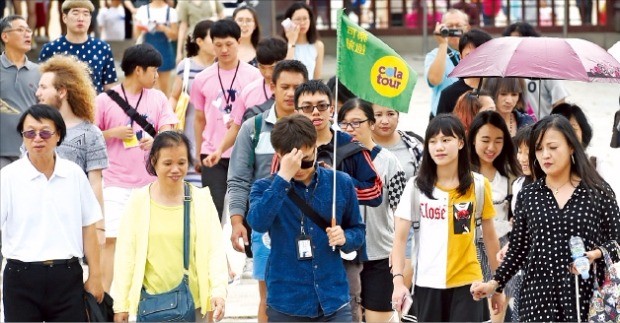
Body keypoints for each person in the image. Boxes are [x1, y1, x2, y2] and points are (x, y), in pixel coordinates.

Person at [470, 114, 620, 322]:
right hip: (537, 301)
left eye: (552, 147)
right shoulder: (529, 195)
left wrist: (595, 254)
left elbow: (617, 242)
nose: (545, 155)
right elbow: (519, 249)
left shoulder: (598, 192)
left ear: (571, 147)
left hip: (585, 300)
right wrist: (494, 283)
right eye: (539, 149)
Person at [247, 114, 365, 322]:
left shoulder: (340, 183)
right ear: (278, 154)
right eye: (293, 161)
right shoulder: (264, 187)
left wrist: (345, 237)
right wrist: (283, 178)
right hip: (287, 302)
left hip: (333, 299)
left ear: (315, 148)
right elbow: (257, 222)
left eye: (306, 159)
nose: (300, 168)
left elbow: (358, 231)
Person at [391, 114, 501, 322]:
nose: (438, 147)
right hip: (426, 283)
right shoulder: (415, 188)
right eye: (432, 141)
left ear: (460, 142)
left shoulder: (478, 185)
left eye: (446, 140)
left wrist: (498, 283)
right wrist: (398, 282)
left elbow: (490, 237)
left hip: (469, 284)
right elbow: (399, 239)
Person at [112, 131, 227, 322]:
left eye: (181, 163)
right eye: (167, 163)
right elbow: (126, 255)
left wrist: (218, 292)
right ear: (154, 162)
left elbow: (215, 251)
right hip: (152, 307)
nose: (175, 169)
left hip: (194, 306)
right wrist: (121, 305)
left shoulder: (201, 199)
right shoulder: (138, 201)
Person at [1, 104, 103, 321]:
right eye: (30, 133)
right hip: (21, 278)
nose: (37, 138)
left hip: (67, 277)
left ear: (58, 136)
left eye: (45, 132)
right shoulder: (8, 177)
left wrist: (95, 275)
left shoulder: (74, 174)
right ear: (23, 137)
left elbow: (88, 227)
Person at [293, 81, 384, 322]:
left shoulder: (350, 147)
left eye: (322, 106)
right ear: (296, 110)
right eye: (307, 107)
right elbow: (275, 190)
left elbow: (375, 191)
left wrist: (339, 184)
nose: (316, 112)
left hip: (341, 251)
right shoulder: (287, 146)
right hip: (297, 253)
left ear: (332, 109)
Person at [227, 60, 309, 322]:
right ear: (272, 86)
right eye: (284, 86)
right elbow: (239, 178)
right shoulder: (253, 128)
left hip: (310, 224)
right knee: (269, 297)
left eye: (297, 87)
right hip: (267, 228)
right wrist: (237, 220)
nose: (290, 93)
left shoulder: (317, 129)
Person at [95, 43, 178, 292]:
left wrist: (156, 141)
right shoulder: (104, 100)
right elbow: (88, 136)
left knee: (151, 241)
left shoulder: (158, 97)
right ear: (138, 70)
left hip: (149, 184)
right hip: (113, 183)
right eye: (153, 71)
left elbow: (169, 128)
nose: (156, 76)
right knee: (109, 240)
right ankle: (104, 300)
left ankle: (153, 297)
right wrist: (112, 133)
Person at [338, 98, 406, 322]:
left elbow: (401, 210)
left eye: (357, 122)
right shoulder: (334, 161)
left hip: (379, 254)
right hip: (343, 254)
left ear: (371, 124)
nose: (350, 129)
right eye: (345, 124)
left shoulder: (389, 162)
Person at [190, 19, 261, 220]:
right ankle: (216, 251)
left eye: (229, 44)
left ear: (239, 42)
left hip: (246, 152)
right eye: (218, 45)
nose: (224, 50)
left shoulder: (254, 76)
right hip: (212, 153)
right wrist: (198, 153)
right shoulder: (202, 78)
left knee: (246, 210)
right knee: (213, 210)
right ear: (211, 44)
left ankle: (246, 251)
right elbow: (199, 118)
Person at [36, 54, 108, 246]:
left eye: (43, 87)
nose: (38, 93)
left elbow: (95, 184)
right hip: (37, 226)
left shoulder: (90, 133)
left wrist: (99, 227)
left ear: (61, 91)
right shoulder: (34, 131)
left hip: (73, 230)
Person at [467, 110, 521, 321]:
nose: (491, 148)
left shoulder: (511, 174)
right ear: (472, 140)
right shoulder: (461, 175)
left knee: (497, 310)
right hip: (469, 249)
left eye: (498, 141)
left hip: (501, 248)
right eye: (485, 140)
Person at [204, 37, 288, 169]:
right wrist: (220, 150)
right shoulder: (249, 91)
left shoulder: (295, 89)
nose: (267, 73)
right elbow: (236, 127)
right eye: (262, 67)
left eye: (272, 67)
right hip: (257, 160)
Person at [371, 102, 424, 306]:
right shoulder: (358, 147)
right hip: (374, 230)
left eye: (390, 113)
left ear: (398, 115)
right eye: (378, 114)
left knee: (402, 296)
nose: (385, 120)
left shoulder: (414, 146)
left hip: (407, 229)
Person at [169, 19, 215, 186]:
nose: (218, 42)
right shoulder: (186, 66)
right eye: (213, 38)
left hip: (215, 131)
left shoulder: (222, 65)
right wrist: (168, 120)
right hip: (188, 128)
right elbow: (174, 96)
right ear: (199, 41)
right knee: (191, 184)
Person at [39, 0, 117, 94]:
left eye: (85, 14)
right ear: (64, 17)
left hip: (95, 106)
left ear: (90, 18)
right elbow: (41, 86)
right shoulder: (50, 49)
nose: (81, 18)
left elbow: (109, 86)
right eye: (75, 13)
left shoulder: (103, 48)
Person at [502, 22, 569, 119]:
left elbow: (559, 101)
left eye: (520, 40)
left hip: (542, 128)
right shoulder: (505, 70)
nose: (516, 45)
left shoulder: (546, 68)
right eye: (512, 41)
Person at [0, 15, 40, 169]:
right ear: (5, 36)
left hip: (30, 153)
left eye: (29, 30)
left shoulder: (40, 72)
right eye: (20, 30)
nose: (27, 34)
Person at [425, 9, 470, 119]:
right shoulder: (434, 55)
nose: (454, 29)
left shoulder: (475, 53)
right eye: (449, 26)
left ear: (467, 28)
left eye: (458, 25)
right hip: (443, 119)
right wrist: (442, 44)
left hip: (469, 119)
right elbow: (434, 80)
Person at [436, 29, 492, 116]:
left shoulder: (501, 90)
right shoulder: (448, 94)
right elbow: (440, 127)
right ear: (460, 57)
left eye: (480, 54)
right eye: (469, 55)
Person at [133, 0, 178, 96]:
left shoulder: (171, 11)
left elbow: (174, 35)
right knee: (149, 87)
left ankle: (164, 109)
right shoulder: (143, 10)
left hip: (164, 50)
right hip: (147, 51)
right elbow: (136, 34)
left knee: (165, 87)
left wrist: (164, 28)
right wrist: (139, 26)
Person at [282, 2, 325, 80]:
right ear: (289, 21)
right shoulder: (283, 45)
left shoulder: (318, 45)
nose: (302, 23)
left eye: (305, 18)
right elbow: (285, 70)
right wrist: (291, 42)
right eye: (298, 19)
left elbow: (317, 78)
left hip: (309, 90)